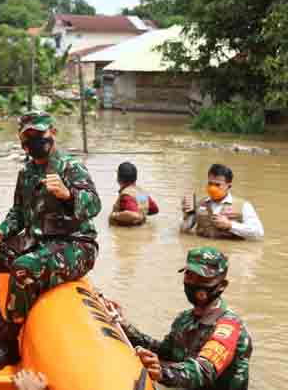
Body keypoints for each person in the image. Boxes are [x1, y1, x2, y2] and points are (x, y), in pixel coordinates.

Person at [0, 112, 102, 372]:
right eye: (29, 137)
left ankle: (9, 341)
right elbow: (18, 213)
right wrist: (0, 232)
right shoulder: (27, 171)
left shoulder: (71, 167)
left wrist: (68, 196)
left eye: (39, 135)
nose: (35, 141)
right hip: (36, 241)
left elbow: (94, 205)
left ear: (52, 133)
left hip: (75, 245)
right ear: (22, 140)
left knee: (24, 267)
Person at [106, 247, 252, 390]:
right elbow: (164, 351)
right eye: (189, 275)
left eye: (203, 279)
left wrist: (163, 372)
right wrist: (123, 325)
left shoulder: (229, 326)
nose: (194, 283)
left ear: (222, 285)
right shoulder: (184, 319)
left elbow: (205, 370)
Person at [181, 164, 264, 239]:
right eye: (210, 183)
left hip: (229, 253)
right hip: (204, 252)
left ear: (229, 186)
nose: (212, 188)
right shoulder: (200, 204)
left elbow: (258, 233)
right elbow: (183, 231)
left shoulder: (243, 206)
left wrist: (230, 225)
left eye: (217, 185)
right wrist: (187, 215)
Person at [109, 161, 159, 226]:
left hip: (127, 232)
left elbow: (134, 215)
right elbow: (154, 209)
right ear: (135, 178)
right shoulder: (140, 193)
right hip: (141, 230)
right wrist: (141, 214)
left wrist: (115, 215)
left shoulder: (126, 196)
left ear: (118, 179)